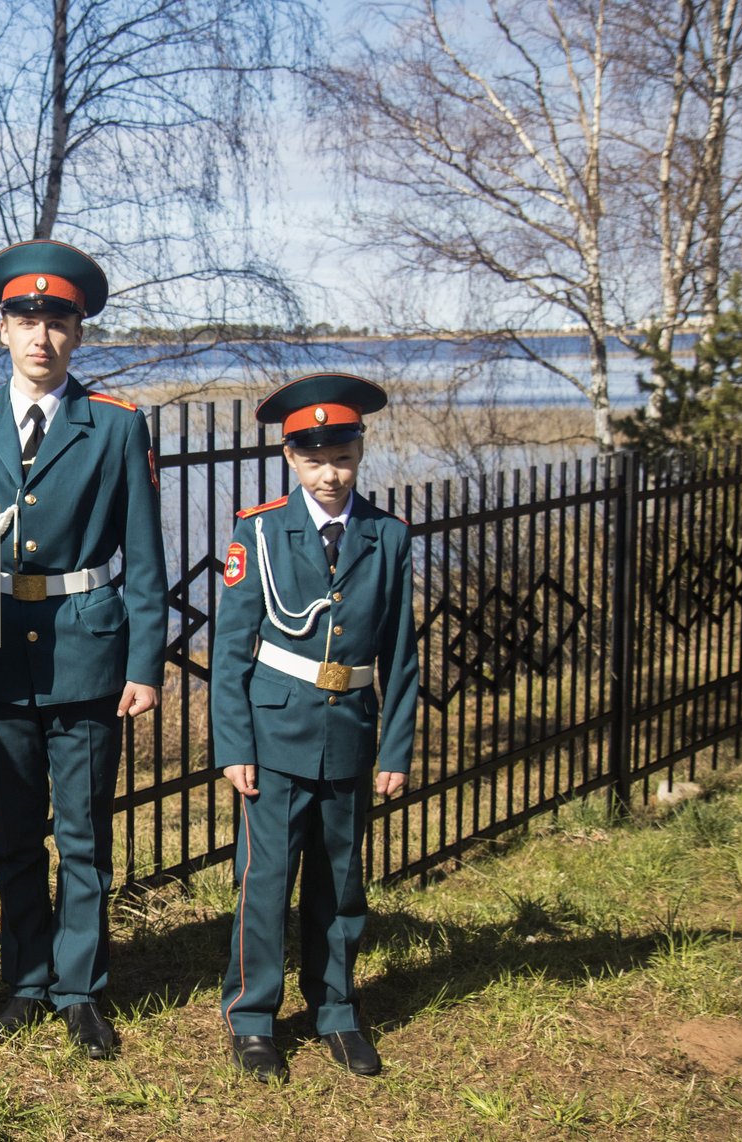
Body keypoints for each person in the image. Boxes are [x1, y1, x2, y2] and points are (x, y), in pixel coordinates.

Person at [0, 239, 166, 1060]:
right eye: (25, 318)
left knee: (88, 835)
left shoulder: (117, 428)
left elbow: (146, 559)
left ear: (78, 332)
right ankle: (26, 981)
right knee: (15, 833)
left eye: (57, 320)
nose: (41, 335)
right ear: (2, 329)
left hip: (89, 655)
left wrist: (143, 666)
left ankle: (82, 990)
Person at [208, 372, 419, 1082]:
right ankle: (254, 1018)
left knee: (341, 881)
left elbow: (402, 653)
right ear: (292, 459)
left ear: (361, 453)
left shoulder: (387, 537)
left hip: (350, 733)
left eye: (344, 457)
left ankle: (336, 1010)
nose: (330, 474)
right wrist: (233, 745)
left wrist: (395, 749)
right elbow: (232, 650)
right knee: (265, 881)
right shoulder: (260, 533)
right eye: (314, 458)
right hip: (273, 737)